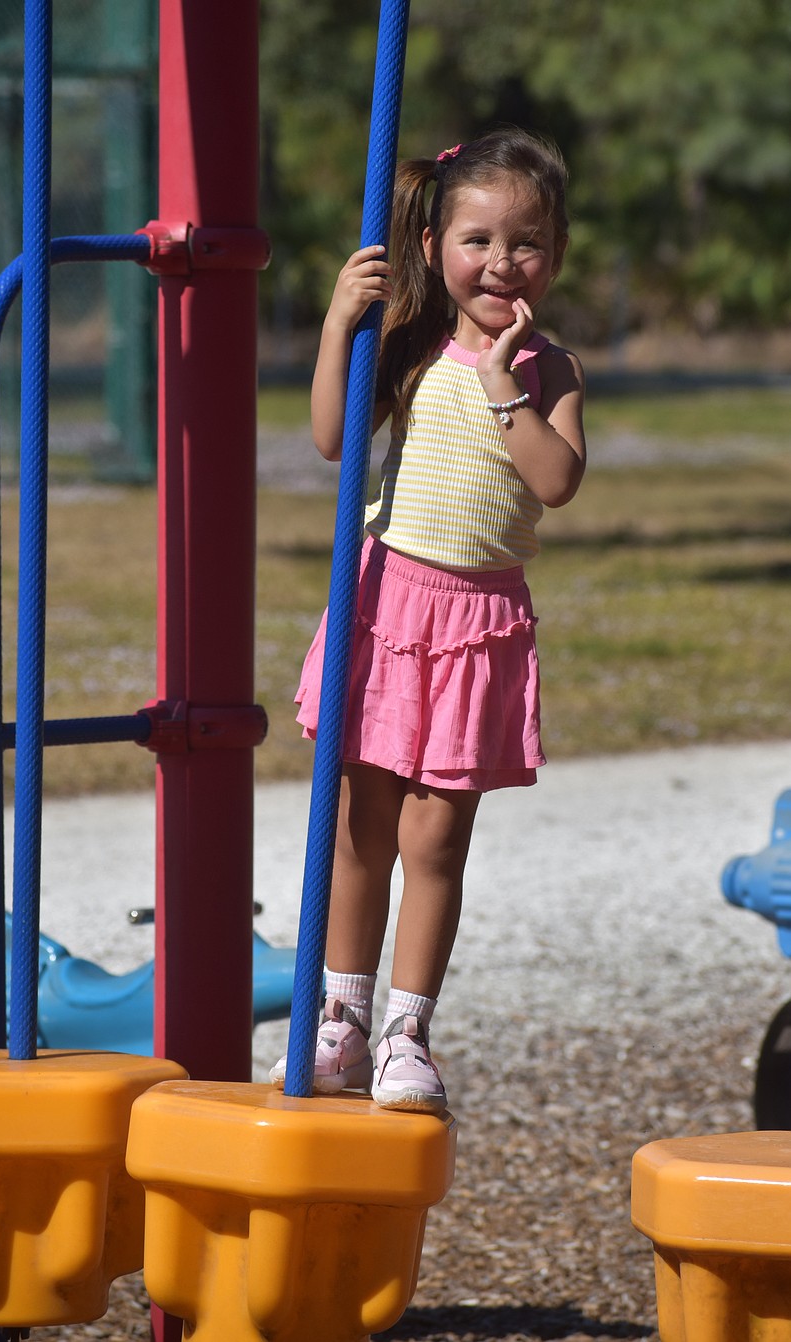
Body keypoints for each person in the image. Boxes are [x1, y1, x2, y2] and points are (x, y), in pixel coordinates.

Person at [271, 126, 586, 1113]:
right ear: (433, 244)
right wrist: (335, 327)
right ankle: (342, 1017)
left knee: (433, 838)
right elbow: (330, 439)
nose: (500, 263)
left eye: (525, 242)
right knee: (361, 829)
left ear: (556, 252)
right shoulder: (402, 347)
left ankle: (409, 1030)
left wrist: (505, 392)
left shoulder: (549, 368)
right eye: (478, 239)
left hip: (475, 623)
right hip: (386, 604)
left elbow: (557, 480)